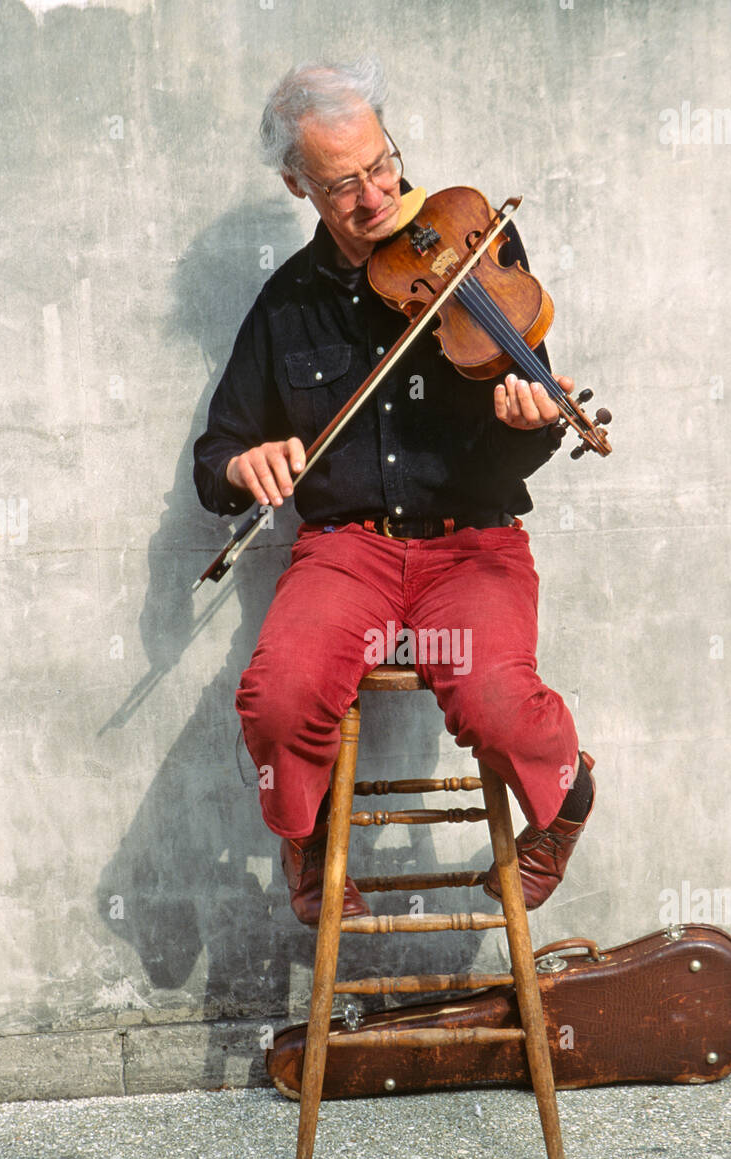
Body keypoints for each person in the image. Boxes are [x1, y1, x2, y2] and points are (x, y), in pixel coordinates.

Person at [193, 58, 596, 926]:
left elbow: (524, 435)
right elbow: (215, 453)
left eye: (382, 163)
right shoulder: (286, 305)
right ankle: (305, 841)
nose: (379, 196)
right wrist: (240, 466)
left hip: (472, 544)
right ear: (297, 185)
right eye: (344, 185)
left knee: (495, 699)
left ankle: (566, 804)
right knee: (278, 695)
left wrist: (535, 419)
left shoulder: (473, 240)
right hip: (349, 554)